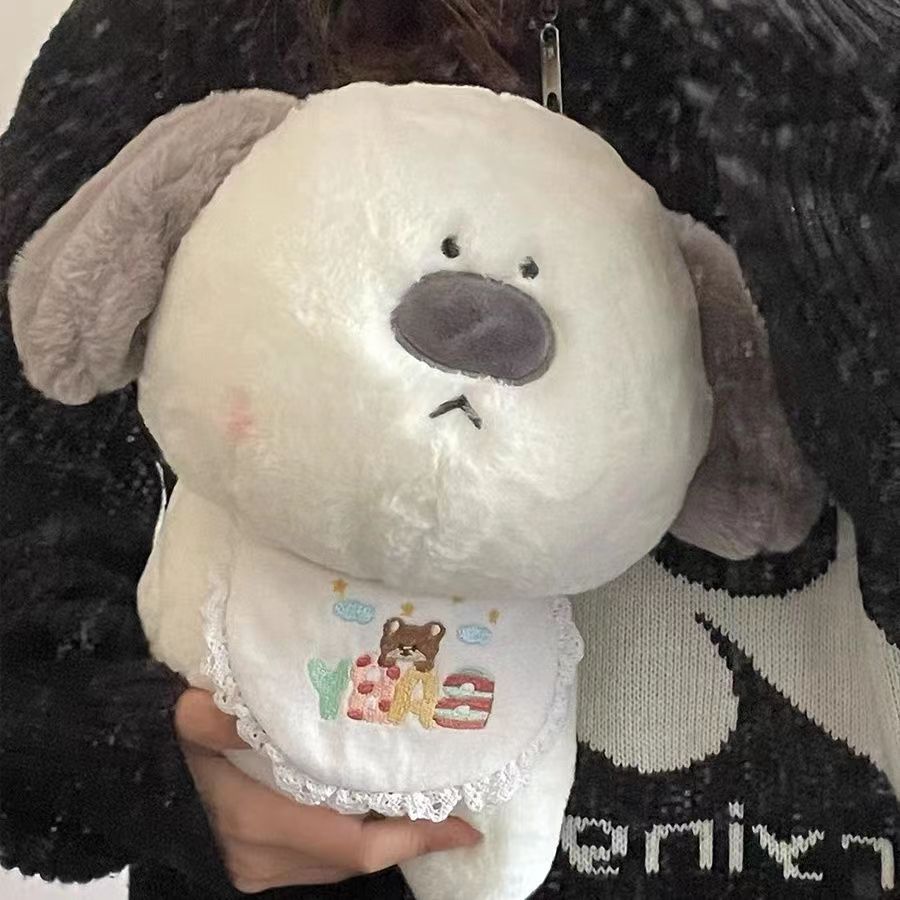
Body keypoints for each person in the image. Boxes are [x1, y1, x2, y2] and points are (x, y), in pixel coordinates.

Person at [2, 1, 897, 898]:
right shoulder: (205, 21)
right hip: (315, 826)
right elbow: (28, 456)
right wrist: (116, 761)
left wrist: (826, 69)